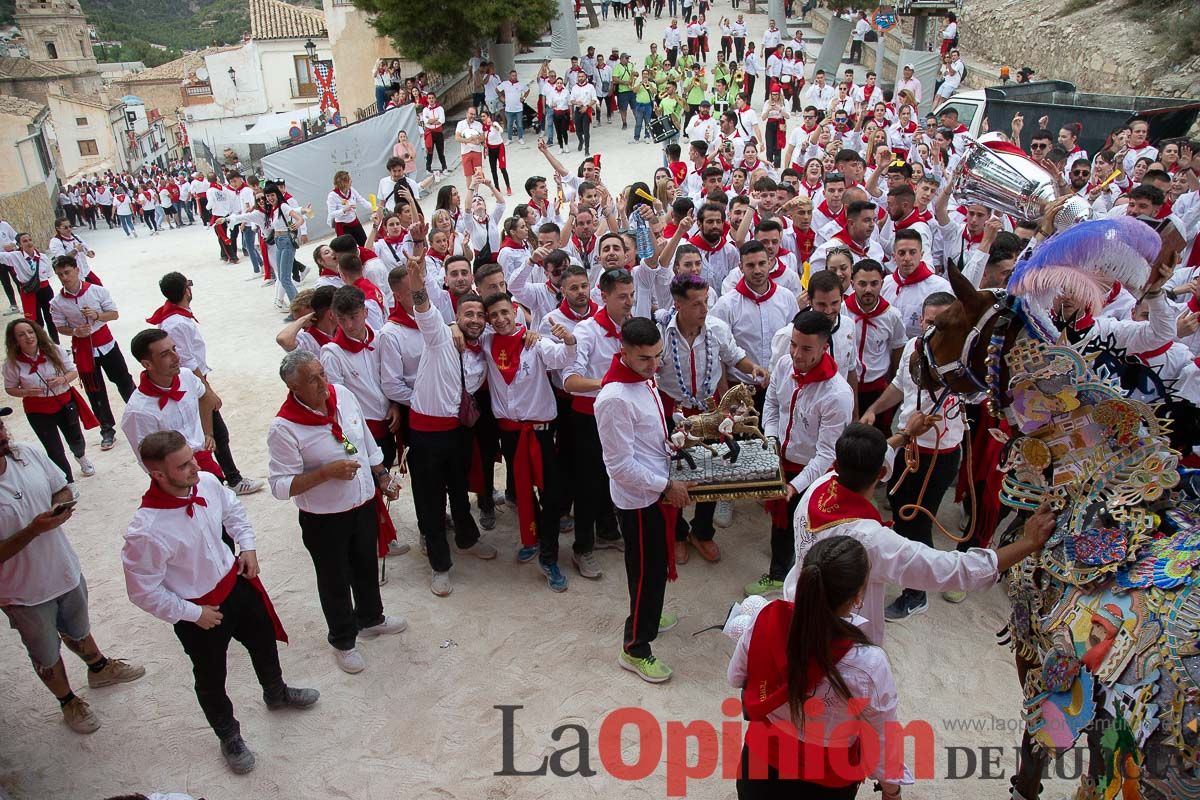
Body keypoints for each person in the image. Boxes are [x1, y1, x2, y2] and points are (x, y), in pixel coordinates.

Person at [123, 431, 318, 774]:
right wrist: (192, 613)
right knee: (212, 678)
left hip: (236, 585)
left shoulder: (209, 482)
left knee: (263, 642)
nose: (194, 467)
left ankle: (276, 692)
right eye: (183, 465)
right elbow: (142, 590)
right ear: (158, 475)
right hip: (199, 613)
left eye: (192, 458)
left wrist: (247, 547)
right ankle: (228, 735)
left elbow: (234, 513)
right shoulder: (145, 531)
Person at [783, 423, 1057, 647]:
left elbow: (860, 460)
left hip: (797, 608)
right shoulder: (873, 541)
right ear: (880, 472)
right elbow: (954, 570)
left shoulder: (819, 485)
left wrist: (905, 435)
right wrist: (1028, 542)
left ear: (836, 463)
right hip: (840, 639)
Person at [0, 405, 145, 734]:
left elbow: (61, 486)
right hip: (22, 593)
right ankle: (68, 701)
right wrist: (33, 531)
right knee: (45, 652)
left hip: (64, 569)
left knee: (78, 627)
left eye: (1, 423)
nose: (2, 431)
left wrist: (60, 504)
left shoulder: (26, 453)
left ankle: (99, 668)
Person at [729, 536, 909, 798]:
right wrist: (891, 790)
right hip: (827, 782)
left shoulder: (765, 620)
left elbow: (736, 677)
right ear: (858, 595)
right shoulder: (869, 663)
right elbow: (881, 736)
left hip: (759, 768)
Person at [267, 351, 408, 674]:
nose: (322, 383)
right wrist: (324, 473)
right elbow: (279, 485)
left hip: (362, 503)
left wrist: (382, 475)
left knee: (365, 564)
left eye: (322, 373)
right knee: (334, 579)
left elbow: (365, 441)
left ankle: (371, 617)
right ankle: (343, 639)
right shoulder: (284, 428)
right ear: (293, 387)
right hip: (324, 518)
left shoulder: (342, 396)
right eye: (312, 379)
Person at [595, 316, 693, 683]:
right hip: (640, 499)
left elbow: (647, 431)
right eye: (644, 359)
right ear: (623, 352)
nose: (654, 366)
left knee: (651, 569)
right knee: (646, 572)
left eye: (657, 357)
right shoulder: (614, 398)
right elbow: (619, 465)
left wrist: (672, 433)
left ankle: (648, 612)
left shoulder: (641, 379)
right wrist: (665, 486)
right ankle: (635, 647)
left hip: (655, 486)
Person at [405, 251, 498, 597]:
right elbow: (424, 308)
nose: (474, 319)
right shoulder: (440, 336)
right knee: (431, 500)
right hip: (427, 435)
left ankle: (467, 539)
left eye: (479, 315)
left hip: (460, 432)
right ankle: (440, 566)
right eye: (467, 314)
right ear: (456, 317)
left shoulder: (484, 347)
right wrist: (417, 282)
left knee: (459, 490)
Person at [479, 292, 577, 588]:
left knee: (552, 494)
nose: (500, 319)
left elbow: (562, 357)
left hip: (541, 432)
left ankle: (549, 557)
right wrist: (456, 327)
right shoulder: (485, 343)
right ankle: (532, 539)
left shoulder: (534, 342)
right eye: (493, 315)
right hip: (509, 433)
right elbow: (456, 328)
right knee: (522, 490)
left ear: (516, 312)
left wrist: (568, 339)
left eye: (505, 312)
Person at [751, 310, 853, 597]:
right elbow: (771, 404)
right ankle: (778, 574)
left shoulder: (837, 394)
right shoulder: (784, 365)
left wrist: (794, 486)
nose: (796, 354)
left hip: (811, 474)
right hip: (781, 460)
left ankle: (804, 587)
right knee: (781, 526)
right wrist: (771, 441)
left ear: (824, 347)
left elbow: (825, 454)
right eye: (794, 344)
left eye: (806, 348)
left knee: (809, 532)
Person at [145, 274, 263, 495]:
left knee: (215, 433)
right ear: (185, 292)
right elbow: (188, 362)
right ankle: (230, 479)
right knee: (212, 434)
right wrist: (207, 391)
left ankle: (228, 477)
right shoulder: (177, 322)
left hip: (194, 381)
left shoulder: (176, 317)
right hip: (193, 383)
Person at [49, 255, 134, 452]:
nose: (64, 277)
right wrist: (74, 331)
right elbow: (60, 326)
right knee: (94, 389)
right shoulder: (57, 302)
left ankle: (141, 413)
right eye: (60, 274)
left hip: (107, 344)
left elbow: (114, 314)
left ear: (77, 270)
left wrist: (97, 316)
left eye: (67, 272)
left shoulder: (96, 291)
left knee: (123, 380)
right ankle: (106, 429)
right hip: (84, 350)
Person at [4, 318, 97, 490]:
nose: (28, 337)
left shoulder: (54, 350)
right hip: (37, 409)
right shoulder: (12, 363)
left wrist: (62, 379)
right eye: (21, 335)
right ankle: (67, 481)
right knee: (54, 449)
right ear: (15, 340)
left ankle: (81, 456)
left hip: (63, 401)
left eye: (30, 332)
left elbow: (73, 371)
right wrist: (24, 392)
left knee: (76, 438)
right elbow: (10, 388)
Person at [0, 232, 58, 343]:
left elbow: (49, 274)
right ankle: (41, 345)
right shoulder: (15, 256)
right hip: (29, 292)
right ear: (19, 245)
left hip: (45, 291)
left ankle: (56, 344)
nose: (29, 243)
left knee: (51, 319)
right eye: (25, 241)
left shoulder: (43, 257)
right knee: (35, 322)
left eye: (30, 240)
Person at [326, 171, 371, 246]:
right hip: (343, 226)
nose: (351, 181)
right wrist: (344, 210)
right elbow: (332, 214)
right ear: (344, 182)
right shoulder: (332, 195)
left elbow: (362, 200)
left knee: (365, 244)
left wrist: (374, 207)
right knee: (347, 249)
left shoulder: (351, 190)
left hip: (354, 222)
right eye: (349, 180)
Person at [455, 106, 486, 184]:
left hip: (477, 151)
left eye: (474, 114)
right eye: (471, 114)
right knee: (468, 175)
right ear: (467, 114)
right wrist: (468, 140)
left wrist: (476, 137)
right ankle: (470, 193)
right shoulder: (460, 124)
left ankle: (476, 193)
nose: (472, 116)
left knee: (478, 173)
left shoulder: (478, 124)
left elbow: (483, 138)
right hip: (465, 152)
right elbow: (457, 137)